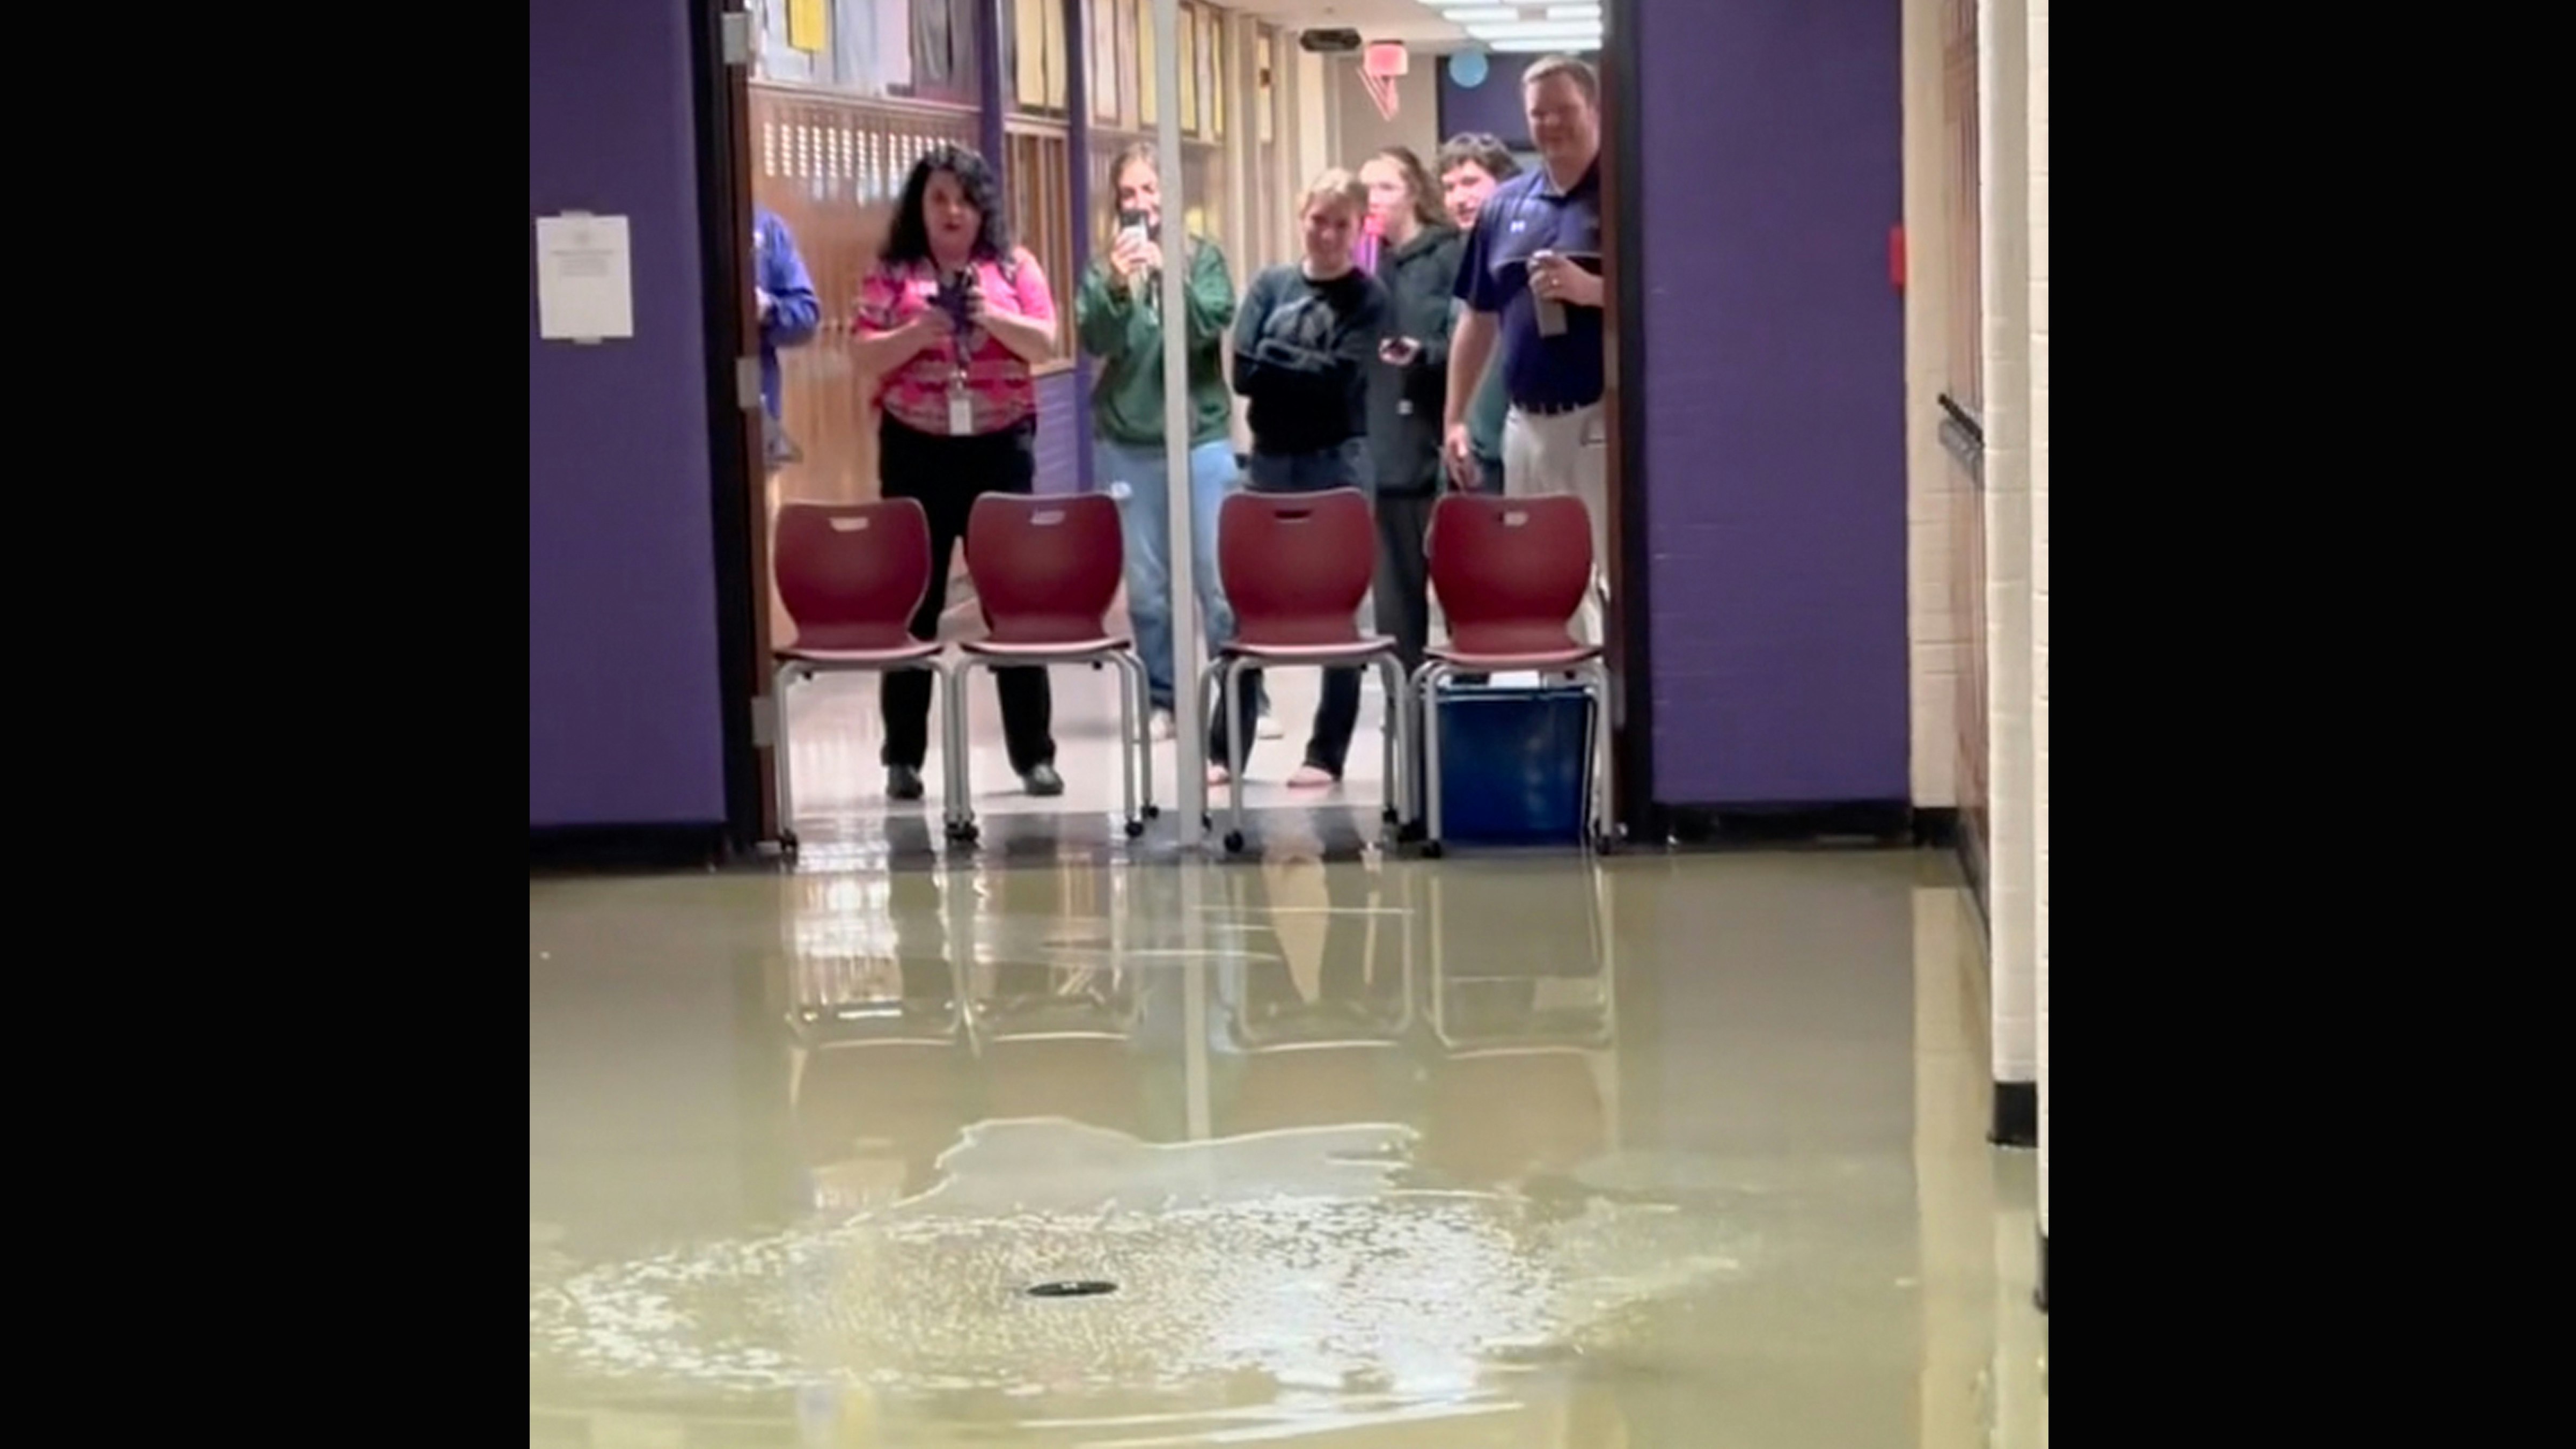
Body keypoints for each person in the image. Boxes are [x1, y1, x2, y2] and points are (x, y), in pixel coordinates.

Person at [850, 144, 1065, 803]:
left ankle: (1034, 756)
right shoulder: (893, 274)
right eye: (939, 197)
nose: (952, 211)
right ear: (921, 205)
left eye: (965, 200)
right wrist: (922, 328)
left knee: (1013, 601)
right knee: (915, 603)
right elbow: (862, 354)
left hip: (1000, 447)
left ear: (983, 209)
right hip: (915, 449)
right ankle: (902, 758)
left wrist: (987, 316)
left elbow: (1046, 341)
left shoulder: (1013, 265)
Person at [1214, 169, 1393, 789]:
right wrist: (1302, 369)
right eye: (1318, 219)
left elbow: (1341, 381)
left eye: (1341, 223)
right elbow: (1241, 371)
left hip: (1338, 458)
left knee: (1342, 603)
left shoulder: (1369, 298)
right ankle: (1225, 749)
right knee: (1250, 598)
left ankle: (1326, 752)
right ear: (1302, 217)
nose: (1327, 233)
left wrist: (1280, 364)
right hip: (1270, 457)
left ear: (1358, 227)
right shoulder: (1271, 283)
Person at [1073, 143, 1244, 747]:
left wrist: (1169, 273)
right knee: (1147, 588)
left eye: (1151, 191)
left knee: (1218, 581)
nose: (1141, 205)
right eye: (1129, 195)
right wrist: (1121, 286)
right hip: (1130, 442)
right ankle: (1162, 699)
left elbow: (1207, 327)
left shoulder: (1203, 259)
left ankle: (1241, 699)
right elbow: (1097, 338)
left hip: (1199, 439)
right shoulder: (1103, 268)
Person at [1443, 56, 1611, 645]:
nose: (1551, 125)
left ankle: (1614, 730)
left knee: (1609, 583)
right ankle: (1559, 719)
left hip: (1600, 423)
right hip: (1526, 425)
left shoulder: (1625, 193)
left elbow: (1666, 305)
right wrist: (1456, 416)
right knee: (1542, 584)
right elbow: (1478, 318)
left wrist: (1592, 290)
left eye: (1564, 110)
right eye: (1539, 114)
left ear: (1593, 109)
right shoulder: (1505, 207)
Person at [1358, 145, 1466, 685]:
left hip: (1439, 442)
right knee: (1395, 605)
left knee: (1459, 593)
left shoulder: (1449, 255)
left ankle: (1464, 705)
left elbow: (1469, 341)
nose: (1372, 201)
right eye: (1366, 190)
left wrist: (1423, 352)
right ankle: (1404, 711)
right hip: (1384, 450)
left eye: (1385, 189)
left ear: (1414, 194)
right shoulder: (1365, 263)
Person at [1434, 136, 1522, 494]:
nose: (1459, 198)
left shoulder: (1521, 256)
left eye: (1471, 183)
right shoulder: (1456, 260)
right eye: (1450, 188)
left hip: (1518, 444)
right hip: (1469, 445)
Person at [753, 206, 822, 474]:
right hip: (682, 418)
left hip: (755, 417)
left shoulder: (767, 229)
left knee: (757, 513)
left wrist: (768, 310)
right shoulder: (674, 229)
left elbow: (807, 316)